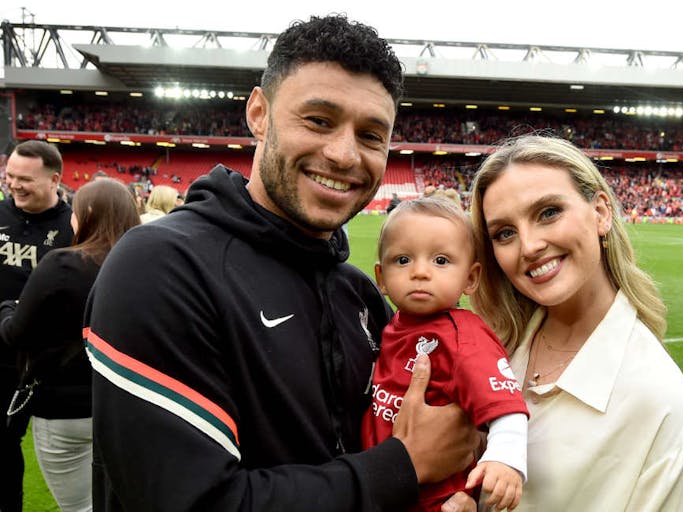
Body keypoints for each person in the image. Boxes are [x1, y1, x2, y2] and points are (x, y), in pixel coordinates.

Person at [84, 15, 479, 512]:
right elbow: (194, 502)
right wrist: (404, 466)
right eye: (318, 120)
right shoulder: (160, 267)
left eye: (372, 135)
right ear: (259, 113)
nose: (343, 154)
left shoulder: (358, 293)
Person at [469, 134, 683, 511]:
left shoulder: (660, 404)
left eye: (548, 212)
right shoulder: (490, 348)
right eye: (505, 233)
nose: (529, 245)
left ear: (600, 212)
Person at [363, 197, 528, 512]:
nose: (420, 272)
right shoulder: (393, 324)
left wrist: (506, 458)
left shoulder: (464, 337)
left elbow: (505, 406)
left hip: (434, 499)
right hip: (385, 485)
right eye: (402, 260)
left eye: (440, 260)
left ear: (470, 278)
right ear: (381, 278)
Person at [0, 178, 140, 512]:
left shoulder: (63, 264)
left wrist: (7, 307)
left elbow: (14, 333)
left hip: (63, 408)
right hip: (127, 406)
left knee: (79, 507)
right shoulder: (149, 263)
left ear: (88, 214)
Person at [0, 140, 74, 512]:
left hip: (53, 368)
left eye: (25, 179)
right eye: (10, 175)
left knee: (70, 457)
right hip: (0, 358)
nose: (13, 184)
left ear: (54, 180)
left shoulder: (75, 227)